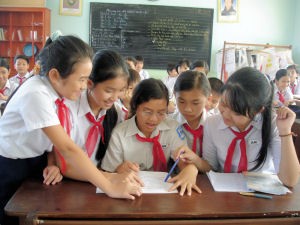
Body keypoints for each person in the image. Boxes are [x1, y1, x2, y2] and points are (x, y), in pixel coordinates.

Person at [0, 35, 142, 225]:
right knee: (9, 214)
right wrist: (109, 185)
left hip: (35, 162)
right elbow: (67, 147)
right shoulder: (36, 94)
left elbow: (50, 142)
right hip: (10, 165)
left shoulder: (56, 93)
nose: (85, 86)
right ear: (55, 75)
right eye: (82, 80)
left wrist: (51, 161)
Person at [174, 67, 300, 188]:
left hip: (262, 195)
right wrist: (195, 159)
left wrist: (285, 131)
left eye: (237, 112)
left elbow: (290, 180)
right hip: (224, 193)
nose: (226, 114)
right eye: (223, 103)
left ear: (258, 110)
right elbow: (211, 166)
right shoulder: (212, 123)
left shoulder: (273, 124)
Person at [101, 78, 201, 196]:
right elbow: (107, 172)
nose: (153, 119)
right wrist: (119, 169)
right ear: (135, 106)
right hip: (130, 192)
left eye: (161, 113)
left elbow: (183, 161)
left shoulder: (172, 128)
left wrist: (190, 170)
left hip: (164, 193)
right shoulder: (120, 133)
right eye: (147, 111)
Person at [68, 50, 135, 167]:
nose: (114, 98)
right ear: (90, 83)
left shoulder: (120, 115)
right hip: (69, 177)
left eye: (121, 90)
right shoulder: (69, 109)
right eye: (109, 91)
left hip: (100, 179)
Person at [172, 71, 210, 157]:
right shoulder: (170, 123)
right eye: (181, 101)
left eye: (195, 103)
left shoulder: (214, 125)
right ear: (174, 95)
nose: (187, 109)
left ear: (208, 98)